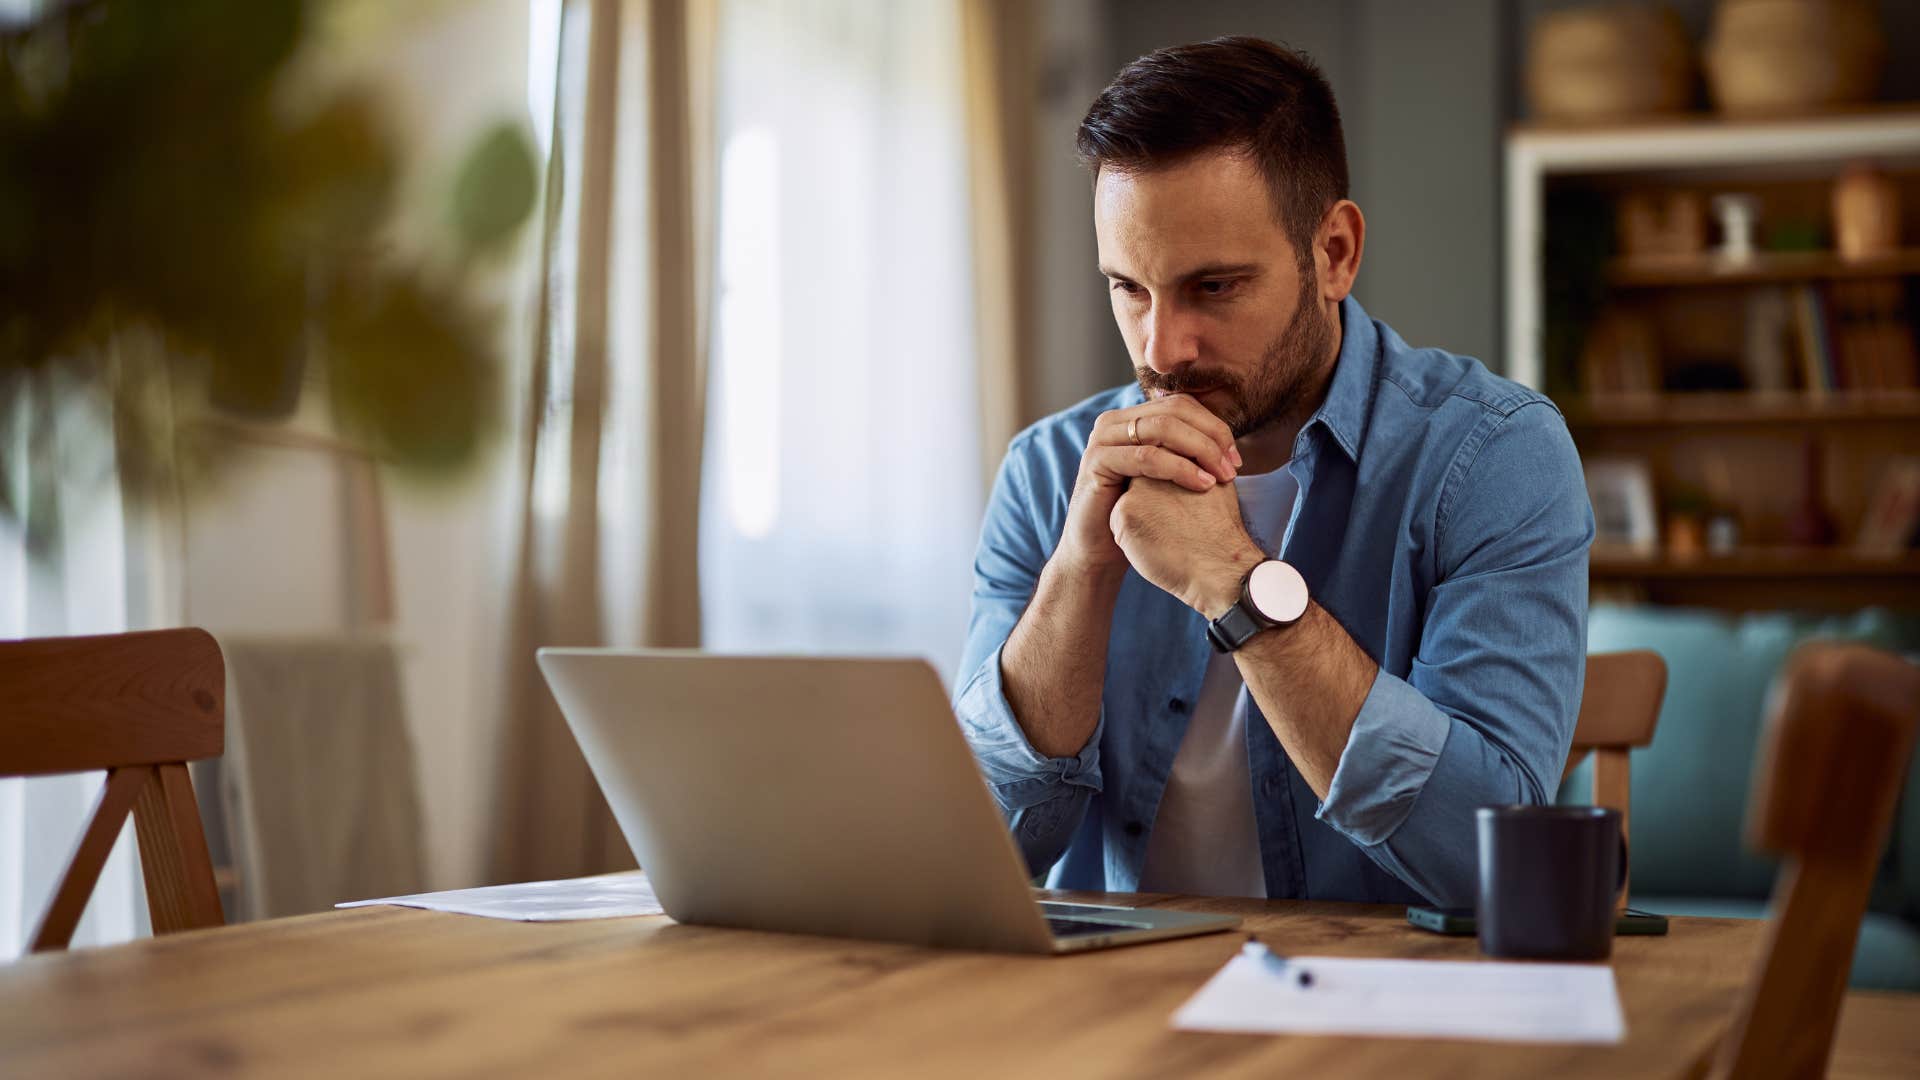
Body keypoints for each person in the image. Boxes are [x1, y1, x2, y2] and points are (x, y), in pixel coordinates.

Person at [953, 37, 1593, 906]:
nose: (1160, 348)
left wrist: (1235, 581)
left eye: (1213, 287)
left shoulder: (1495, 458)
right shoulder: (1046, 472)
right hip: (1109, 1012)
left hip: (1377, 1014)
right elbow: (985, 848)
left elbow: (1489, 858)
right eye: (1128, 287)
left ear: (1333, 251)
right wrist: (1081, 569)